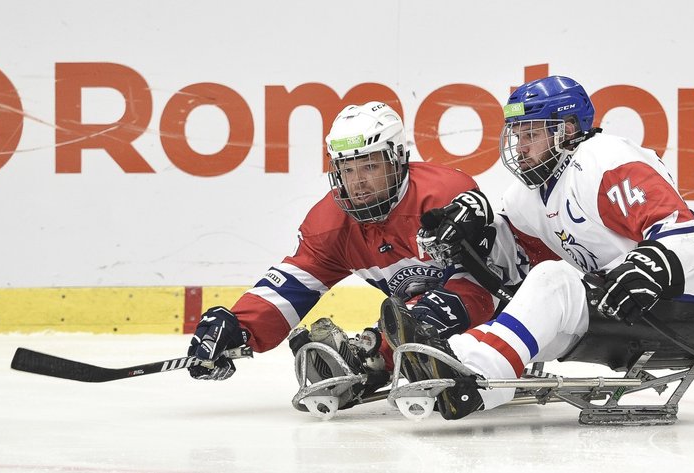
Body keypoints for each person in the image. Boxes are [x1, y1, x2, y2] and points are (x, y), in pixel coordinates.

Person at [388, 76, 694, 419]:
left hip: (685, 306)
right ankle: (452, 359)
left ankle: (472, 375)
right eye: (517, 135)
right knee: (528, 316)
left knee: (553, 280)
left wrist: (646, 267)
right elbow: (508, 266)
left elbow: (682, 231)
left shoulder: (603, 159)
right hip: (620, 311)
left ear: (566, 129)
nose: (519, 147)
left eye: (531, 134)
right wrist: (470, 235)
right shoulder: (527, 196)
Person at [185, 101, 525, 411]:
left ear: (397, 160)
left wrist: (418, 318)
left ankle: (387, 349)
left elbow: (490, 271)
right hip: (415, 318)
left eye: (369, 167)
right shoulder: (330, 224)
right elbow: (291, 284)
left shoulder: (442, 194)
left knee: (420, 312)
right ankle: (371, 357)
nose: (357, 182)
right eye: (347, 170)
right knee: (402, 321)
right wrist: (239, 325)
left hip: (506, 302)